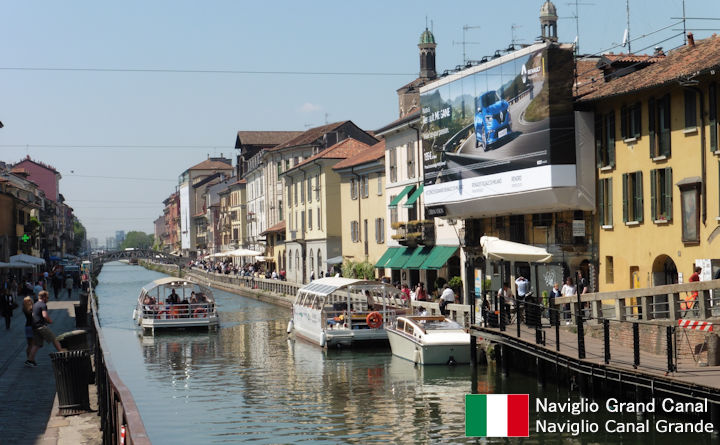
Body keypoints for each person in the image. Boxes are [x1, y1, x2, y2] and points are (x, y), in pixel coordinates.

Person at [28, 290, 65, 366]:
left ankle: (30, 360)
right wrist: (50, 321)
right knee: (54, 339)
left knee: (37, 344)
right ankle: (62, 353)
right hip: (41, 326)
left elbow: (33, 315)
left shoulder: (35, 304)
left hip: (35, 326)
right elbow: (45, 315)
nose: (48, 299)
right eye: (47, 297)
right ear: (44, 297)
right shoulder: (43, 305)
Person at [22, 296, 36, 365]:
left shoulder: (24, 309)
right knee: (33, 344)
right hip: (32, 327)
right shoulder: (32, 309)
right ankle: (31, 360)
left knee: (29, 344)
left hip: (27, 327)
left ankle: (28, 358)